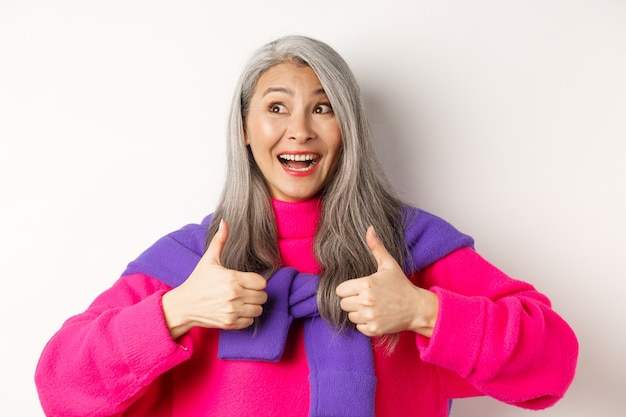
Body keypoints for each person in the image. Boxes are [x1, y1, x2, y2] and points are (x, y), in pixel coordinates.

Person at [35, 35, 578, 417]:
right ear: (245, 128)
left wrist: (422, 310)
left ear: (349, 129)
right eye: (277, 107)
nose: (299, 131)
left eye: (323, 109)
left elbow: (554, 360)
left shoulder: (410, 249)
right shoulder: (190, 262)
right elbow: (59, 386)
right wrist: (175, 312)